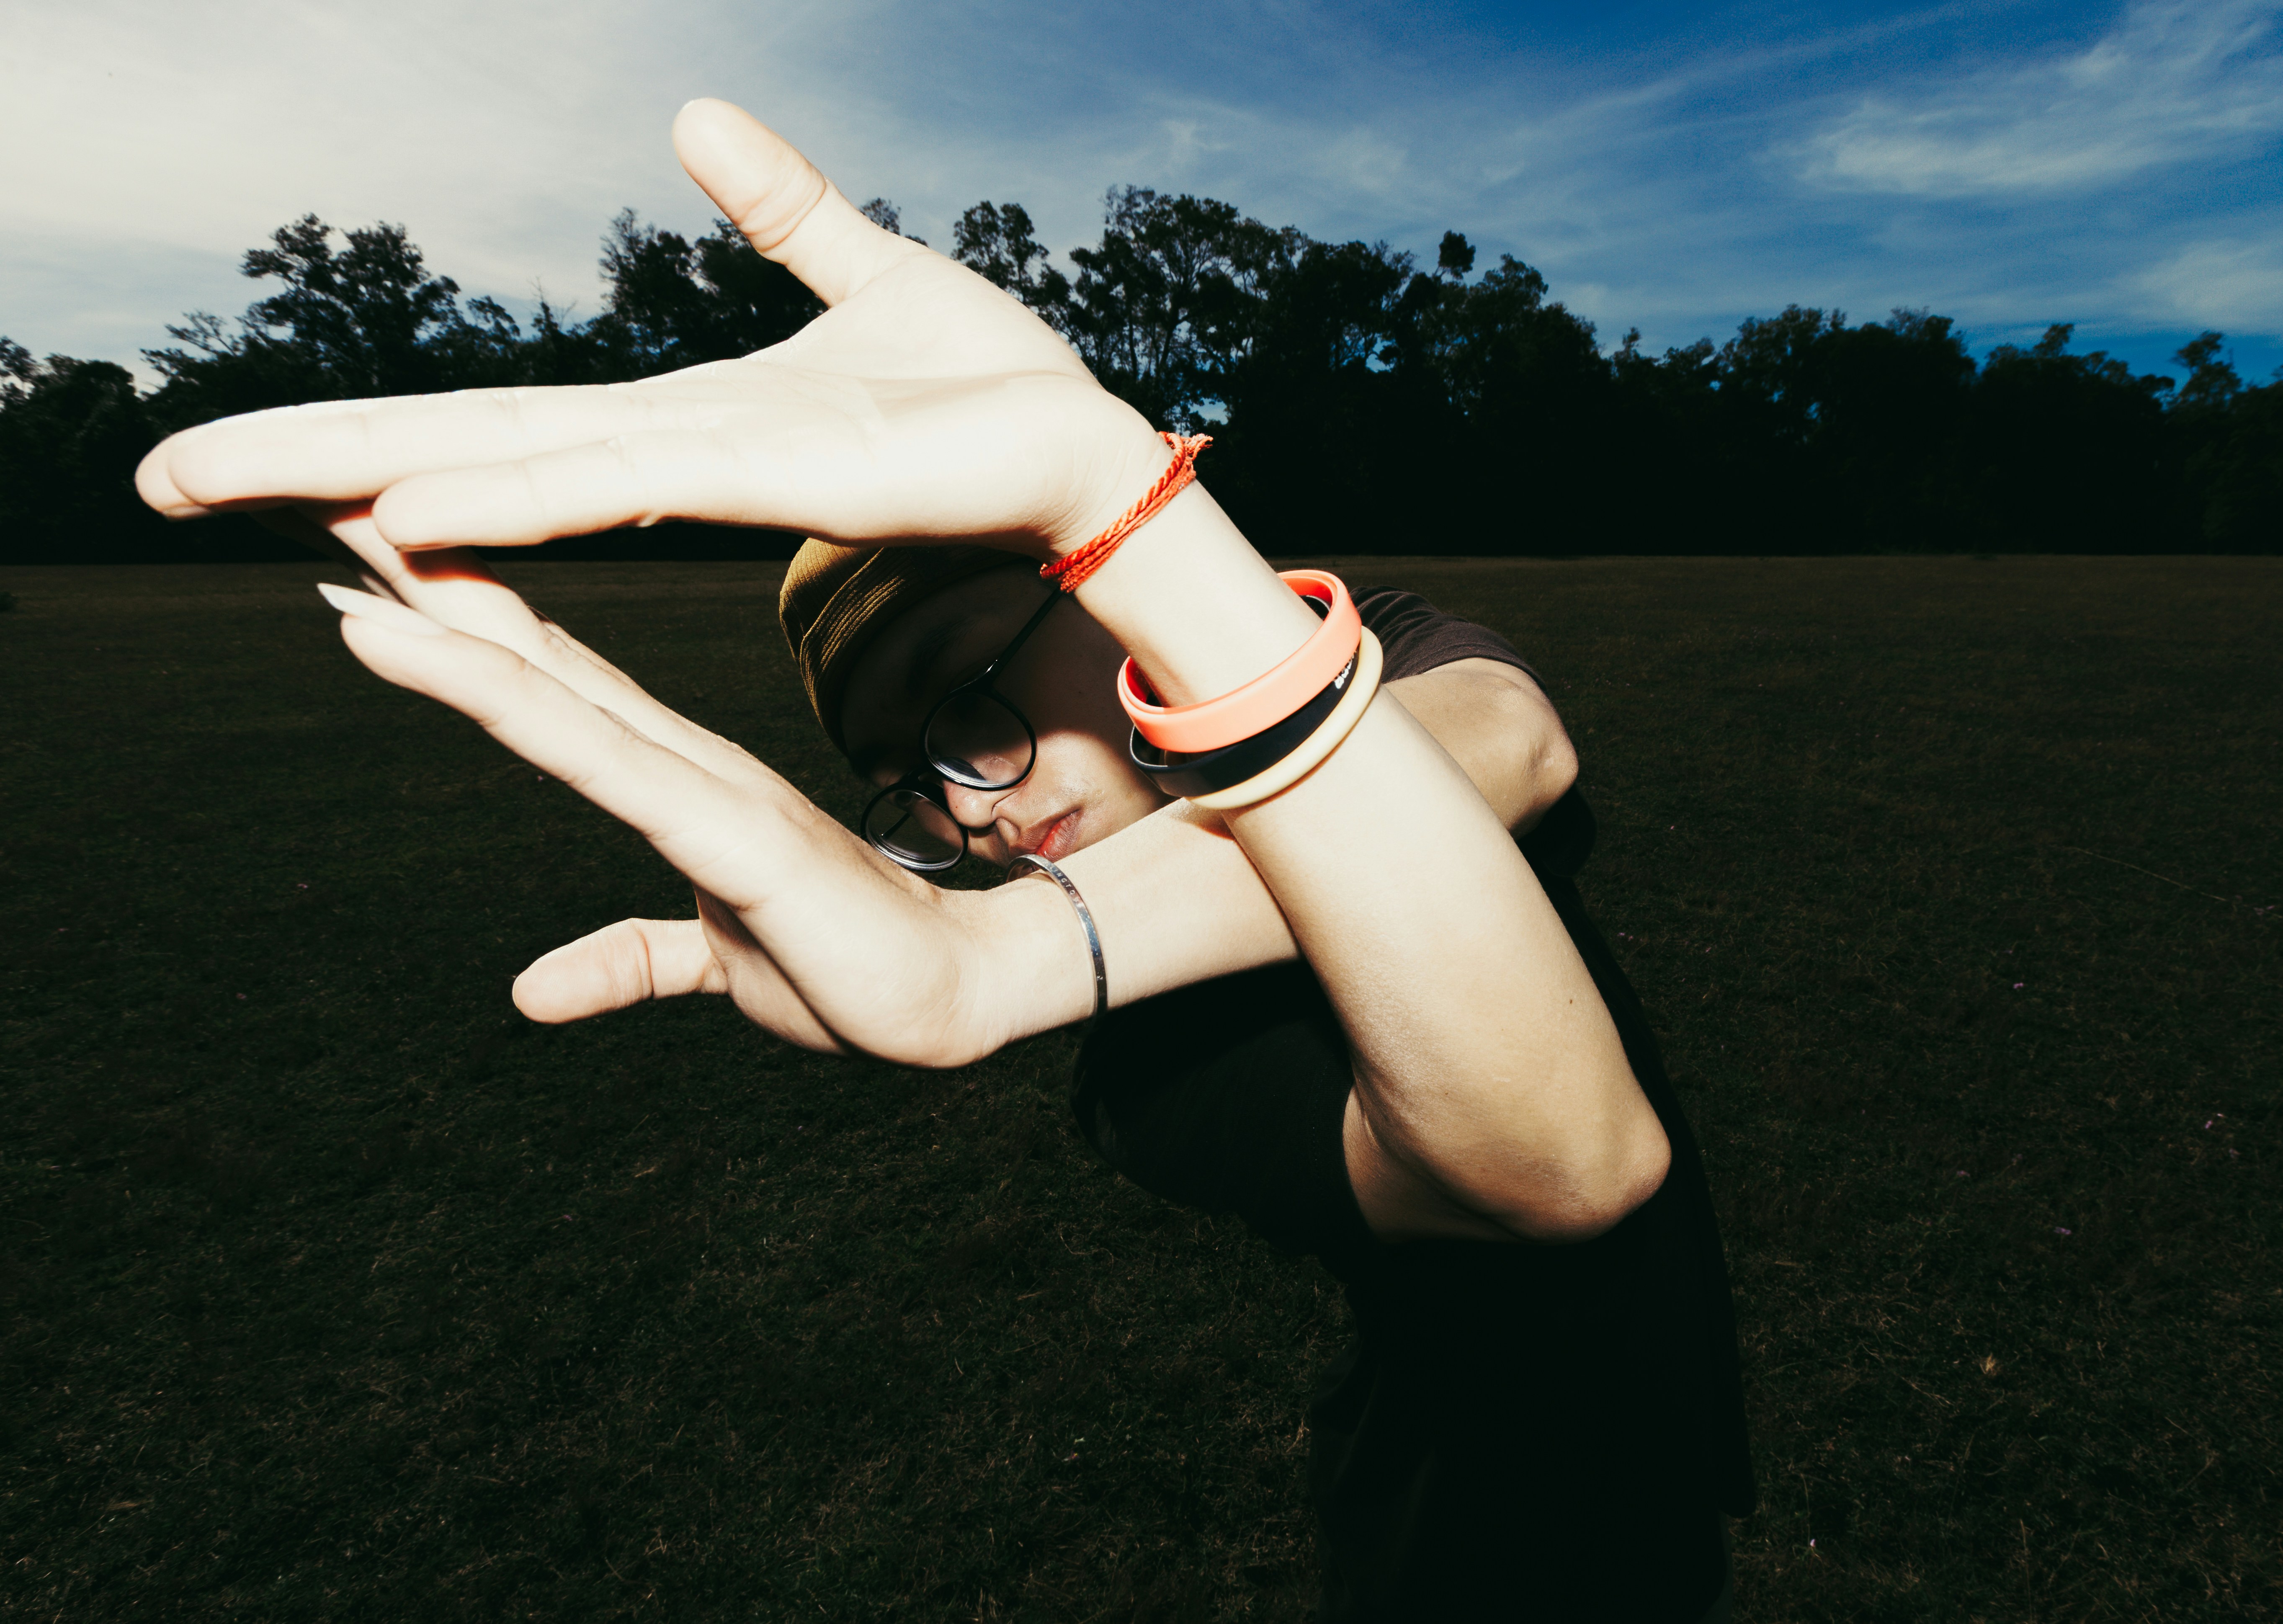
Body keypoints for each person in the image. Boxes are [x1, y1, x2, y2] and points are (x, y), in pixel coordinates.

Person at [138, 101, 1754, 1619]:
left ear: (1081, 584)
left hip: (1668, 1436)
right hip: (1465, 1526)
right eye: (900, 781)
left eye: (964, 697)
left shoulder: (1349, 650)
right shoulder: (1155, 1072)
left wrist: (1118, 538)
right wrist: (1030, 949)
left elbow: (1505, 746)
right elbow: (1562, 1166)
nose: (965, 809)